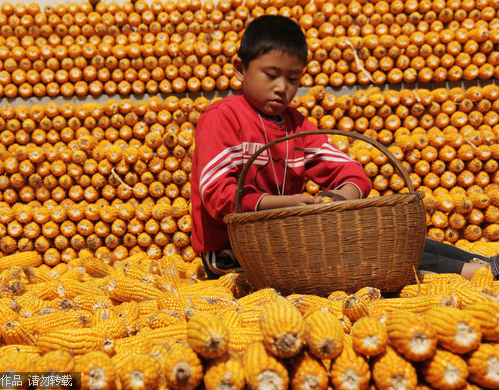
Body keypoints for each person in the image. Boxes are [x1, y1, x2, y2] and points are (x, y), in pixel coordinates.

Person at [190, 14, 499, 281]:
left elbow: (352, 172)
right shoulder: (222, 118)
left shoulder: (296, 127)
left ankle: (484, 264)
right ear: (240, 69)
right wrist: (283, 205)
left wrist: (337, 200)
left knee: (386, 231)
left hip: (285, 236)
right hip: (232, 253)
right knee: (359, 247)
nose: (282, 87)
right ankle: (470, 274)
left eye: (293, 79)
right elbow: (219, 197)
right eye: (271, 75)